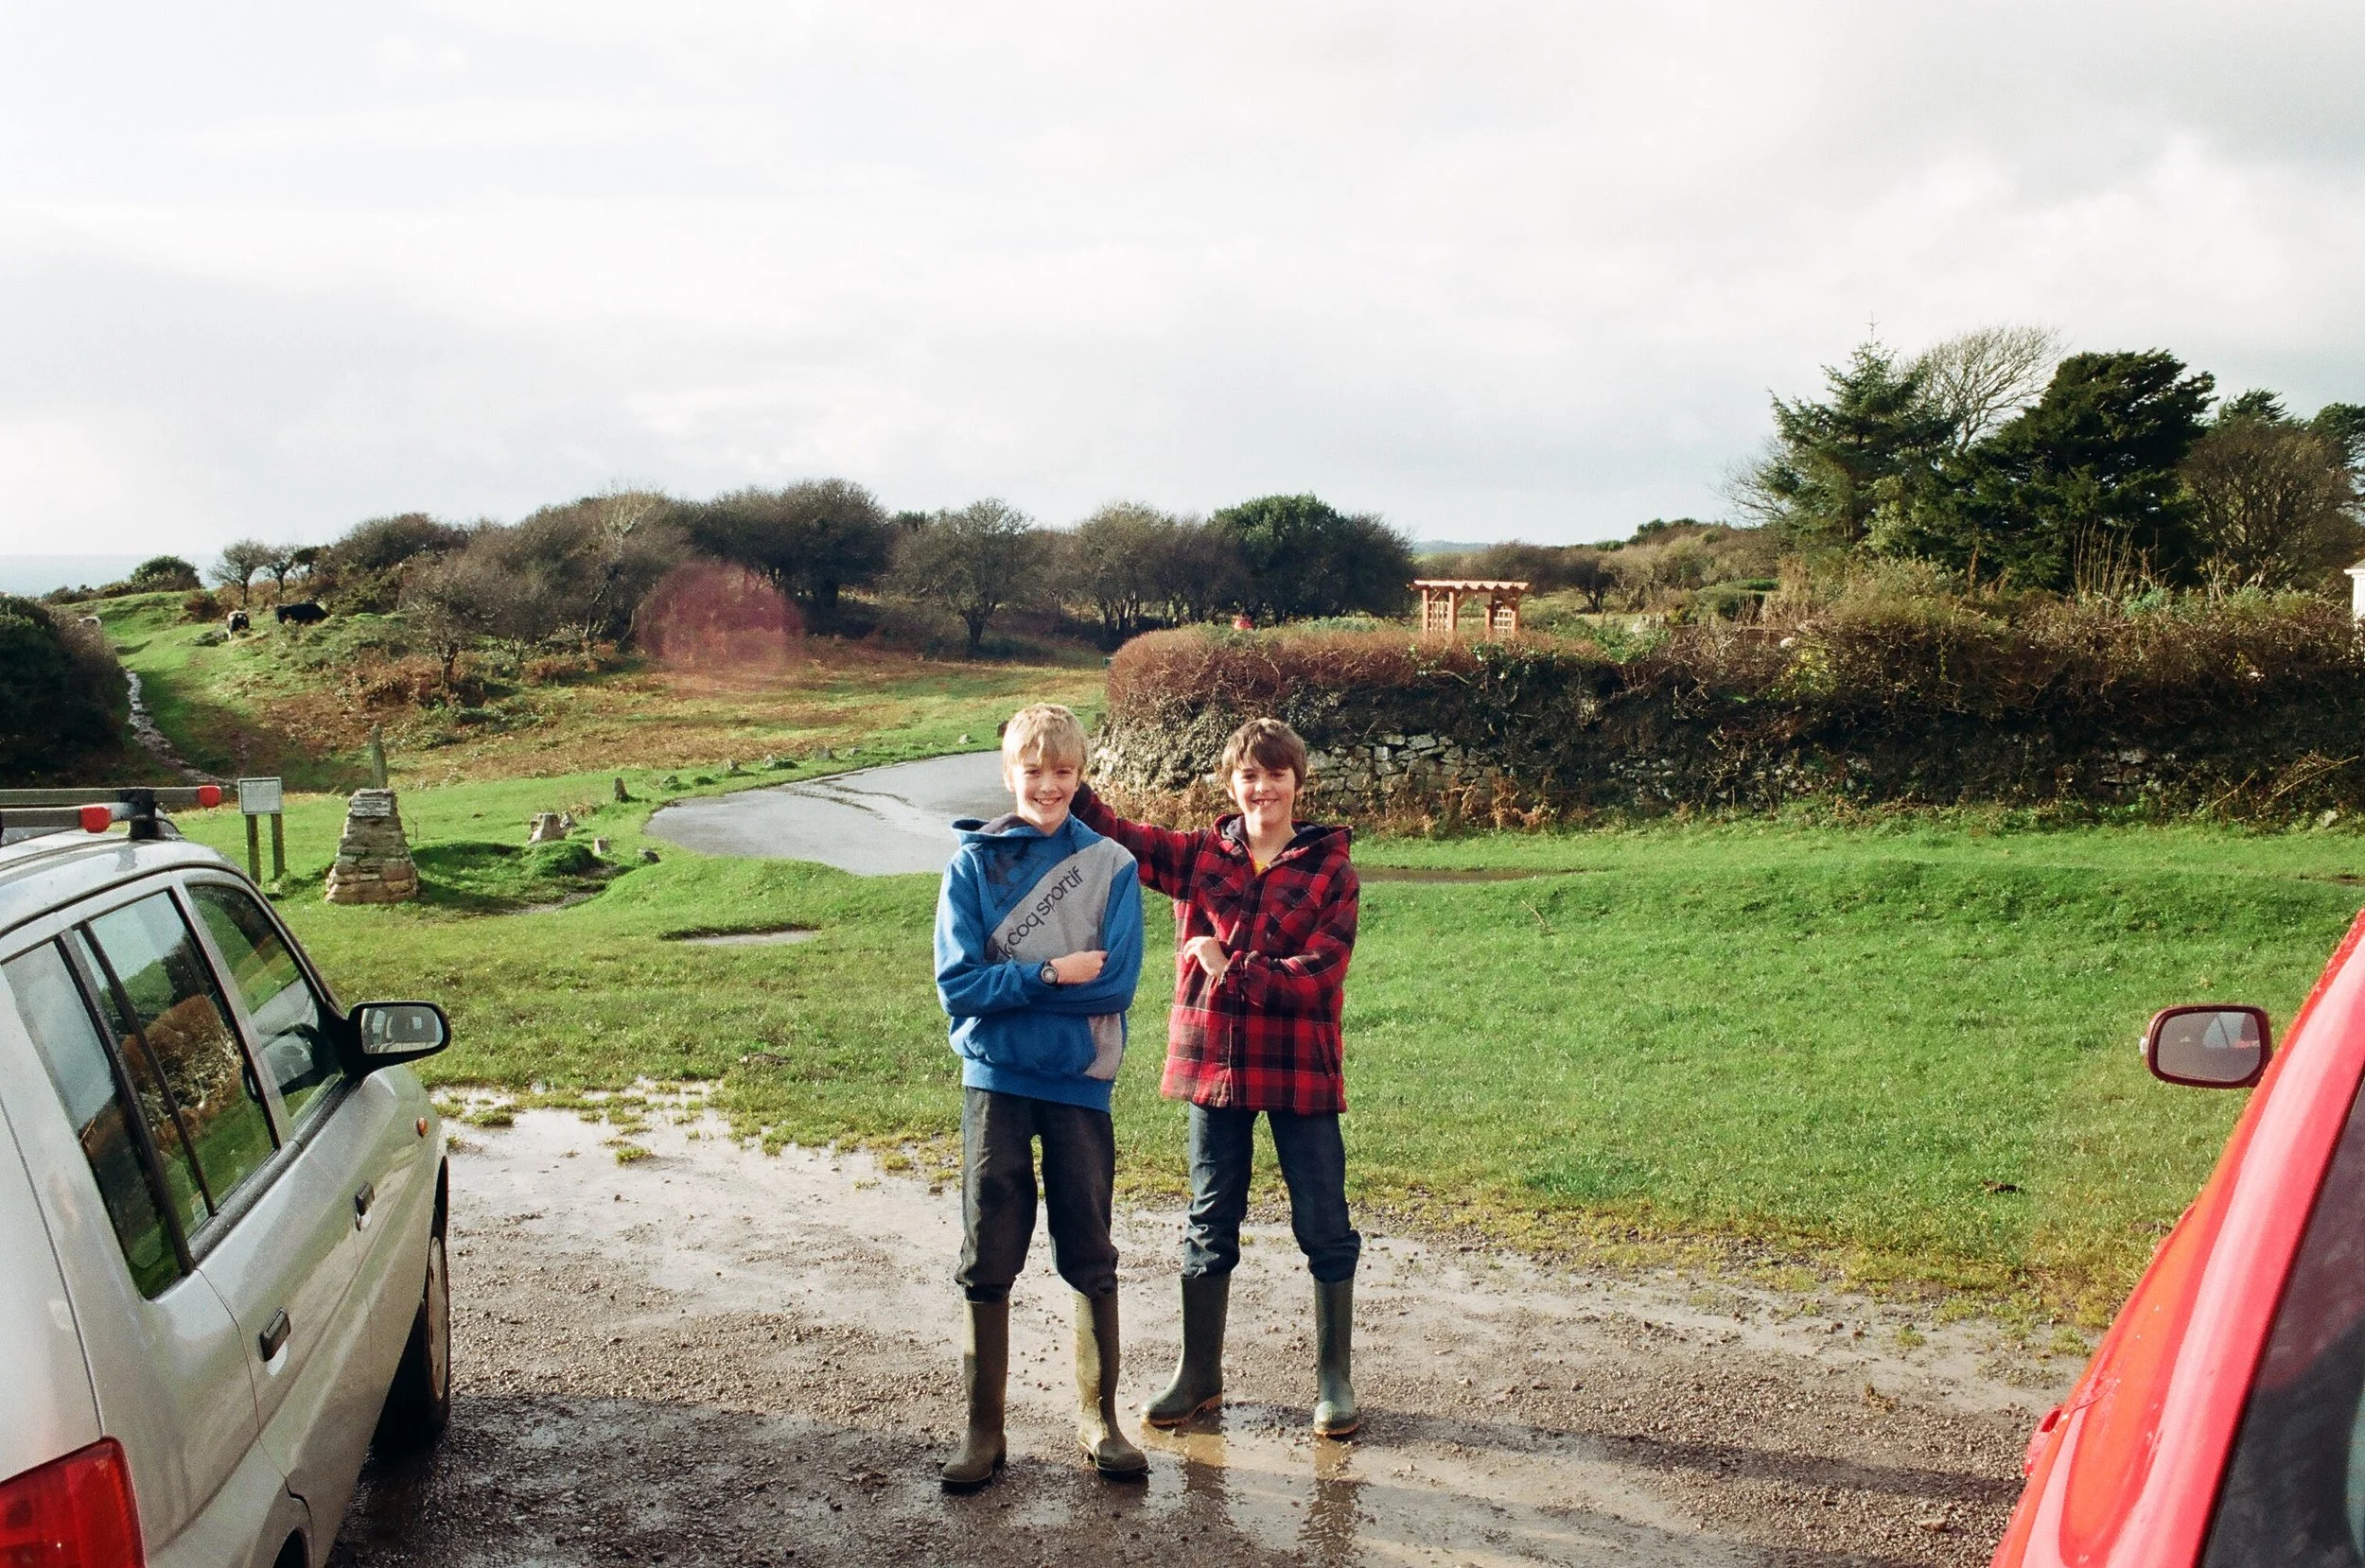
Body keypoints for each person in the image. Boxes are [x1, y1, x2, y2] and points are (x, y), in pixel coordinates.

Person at [1071, 716, 1363, 1437]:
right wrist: (1066, 772)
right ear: (1231, 783)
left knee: (1324, 1223)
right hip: (1217, 1068)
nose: (1261, 788)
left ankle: (1334, 1381)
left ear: (1298, 781)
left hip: (1301, 1069)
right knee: (1209, 1224)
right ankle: (1198, 1376)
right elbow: (1118, 835)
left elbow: (1320, 977)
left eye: (1274, 774)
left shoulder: (1332, 869)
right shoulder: (1203, 856)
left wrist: (1234, 967)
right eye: (1247, 776)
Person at [933, 704, 1148, 1490]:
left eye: (1064, 771)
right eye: (1034, 770)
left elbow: (1118, 985)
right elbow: (957, 987)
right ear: (1008, 773)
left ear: (1081, 774)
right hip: (995, 1083)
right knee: (988, 1253)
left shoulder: (1114, 868)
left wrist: (1008, 995)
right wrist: (1052, 976)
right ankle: (982, 1433)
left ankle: (1099, 1421)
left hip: (1079, 1086)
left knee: (1089, 1248)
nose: (1049, 785)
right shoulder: (972, 867)